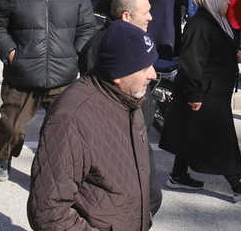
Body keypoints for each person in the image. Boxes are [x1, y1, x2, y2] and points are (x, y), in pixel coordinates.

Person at [27, 19, 157, 231]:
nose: (153, 74)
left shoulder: (130, 101)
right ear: (118, 74)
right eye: (144, 67)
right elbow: (48, 212)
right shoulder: (72, 118)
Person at [0, 0, 95, 182]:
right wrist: (10, 53)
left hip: (62, 76)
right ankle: (4, 156)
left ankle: (51, 169)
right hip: (22, 75)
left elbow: (88, 27)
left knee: (62, 130)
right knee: (11, 127)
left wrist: (74, 52)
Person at [158, 0, 241, 201]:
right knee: (221, 138)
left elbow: (218, 47)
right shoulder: (199, 25)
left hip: (213, 90)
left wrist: (234, 53)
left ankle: (178, 175)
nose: (229, 2)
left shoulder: (218, 20)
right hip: (205, 93)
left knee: (190, 132)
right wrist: (195, 94)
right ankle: (237, 183)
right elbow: (191, 62)